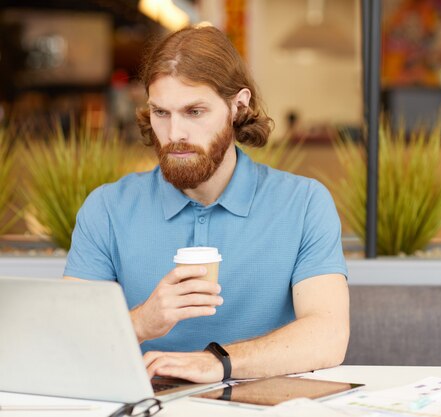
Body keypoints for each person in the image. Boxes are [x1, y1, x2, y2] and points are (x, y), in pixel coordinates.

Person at [63, 25, 349, 384]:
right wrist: (141, 322)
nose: (174, 134)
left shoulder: (304, 203)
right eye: (161, 113)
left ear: (237, 106)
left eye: (194, 112)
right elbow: (69, 341)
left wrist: (218, 363)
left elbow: (329, 335)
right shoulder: (107, 208)